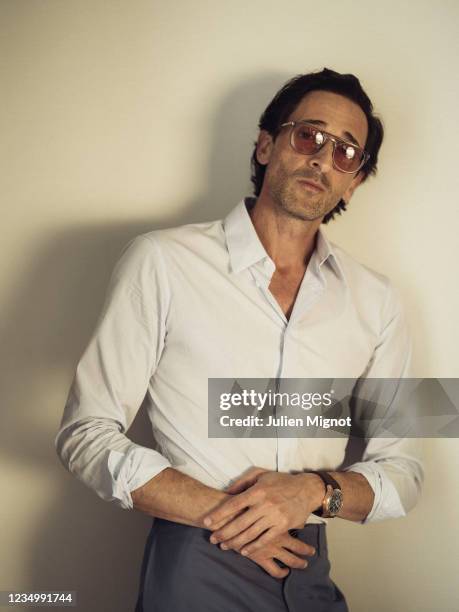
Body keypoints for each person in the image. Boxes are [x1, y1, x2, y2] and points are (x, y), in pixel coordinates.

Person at [55, 68, 423, 611]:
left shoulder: (380, 300)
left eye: (347, 152)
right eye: (309, 136)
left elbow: (406, 472)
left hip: (310, 565)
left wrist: (313, 491)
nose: (324, 159)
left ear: (355, 181)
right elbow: (84, 432)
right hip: (195, 558)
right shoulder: (162, 260)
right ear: (266, 144)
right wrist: (225, 513)